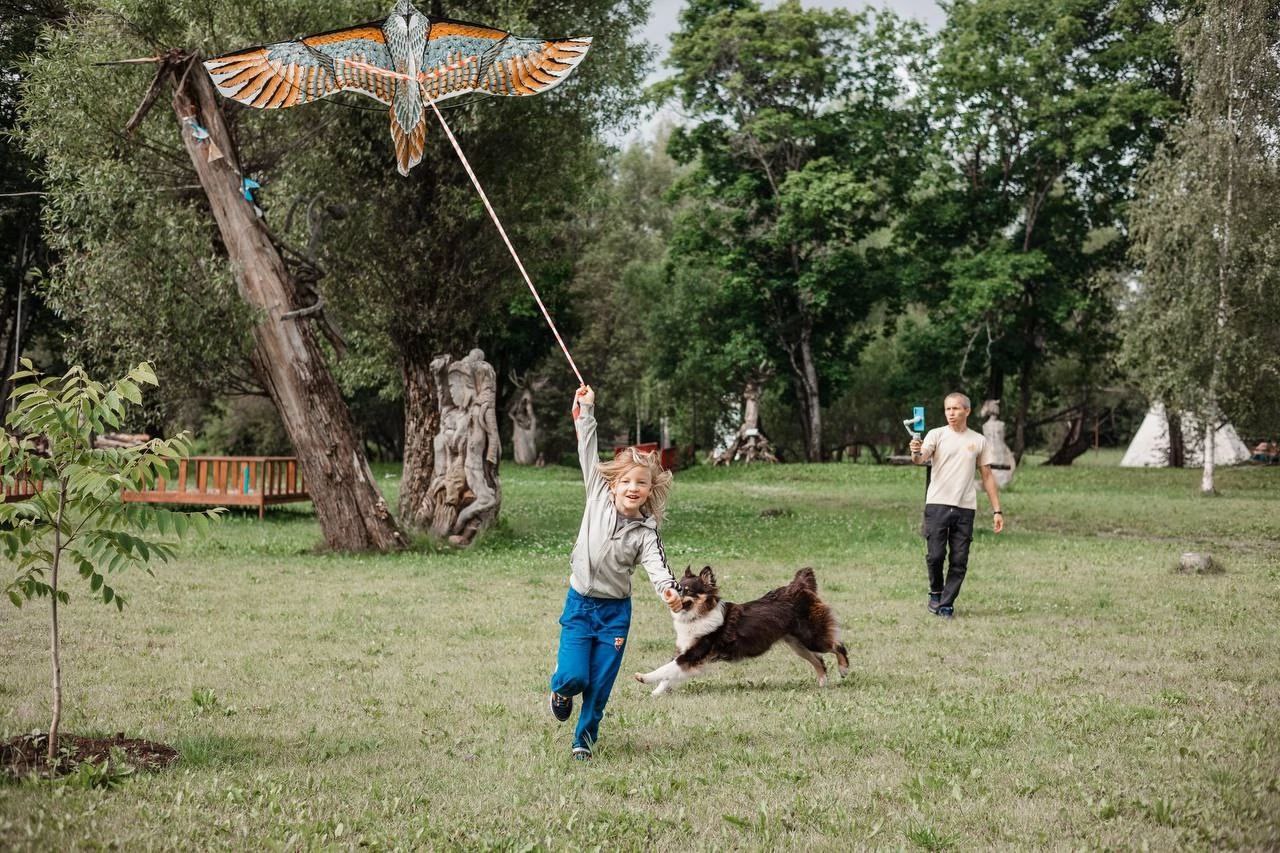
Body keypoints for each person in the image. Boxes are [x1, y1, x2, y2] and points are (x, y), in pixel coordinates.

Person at [548, 385, 683, 761]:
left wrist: (669, 591)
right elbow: (586, 446)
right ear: (612, 483)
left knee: (600, 685)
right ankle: (558, 691)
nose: (633, 488)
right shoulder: (596, 494)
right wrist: (586, 410)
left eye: (641, 483)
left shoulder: (646, 532)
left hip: (614, 615)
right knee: (575, 678)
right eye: (626, 481)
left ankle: (583, 741)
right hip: (580, 605)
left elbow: (658, 568)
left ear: (650, 489)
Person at [909, 392, 1005, 618]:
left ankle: (946, 604)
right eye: (947, 409)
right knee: (935, 556)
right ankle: (935, 591)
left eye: (956, 409)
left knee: (959, 560)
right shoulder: (936, 434)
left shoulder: (978, 440)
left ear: (967, 411)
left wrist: (997, 510)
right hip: (937, 505)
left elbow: (988, 476)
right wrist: (915, 450)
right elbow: (920, 459)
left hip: (965, 508)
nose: (951, 414)